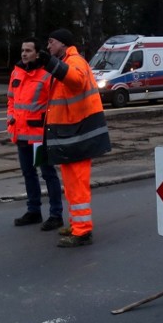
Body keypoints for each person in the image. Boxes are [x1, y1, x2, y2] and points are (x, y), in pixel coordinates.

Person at [38, 28, 111, 247]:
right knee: (71, 186)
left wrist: (50, 63)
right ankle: (76, 225)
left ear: (62, 44)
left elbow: (76, 80)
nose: (49, 46)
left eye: (51, 42)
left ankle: (82, 231)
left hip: (78, 136)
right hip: (72, 136)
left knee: (77, 185)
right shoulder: (67, 62)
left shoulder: (75, 61)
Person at [7, 38, 64, 231]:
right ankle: (34, 211)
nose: (24, 54)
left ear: (37, 53)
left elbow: (55, 103)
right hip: (22, 134)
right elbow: (11, 100)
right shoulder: (17, 71)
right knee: (28, 173)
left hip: (39, 136)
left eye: (28, 50)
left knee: (47, 174)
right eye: (22, 50)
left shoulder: (47, 74)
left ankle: (56, 214)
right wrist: (10, 119)